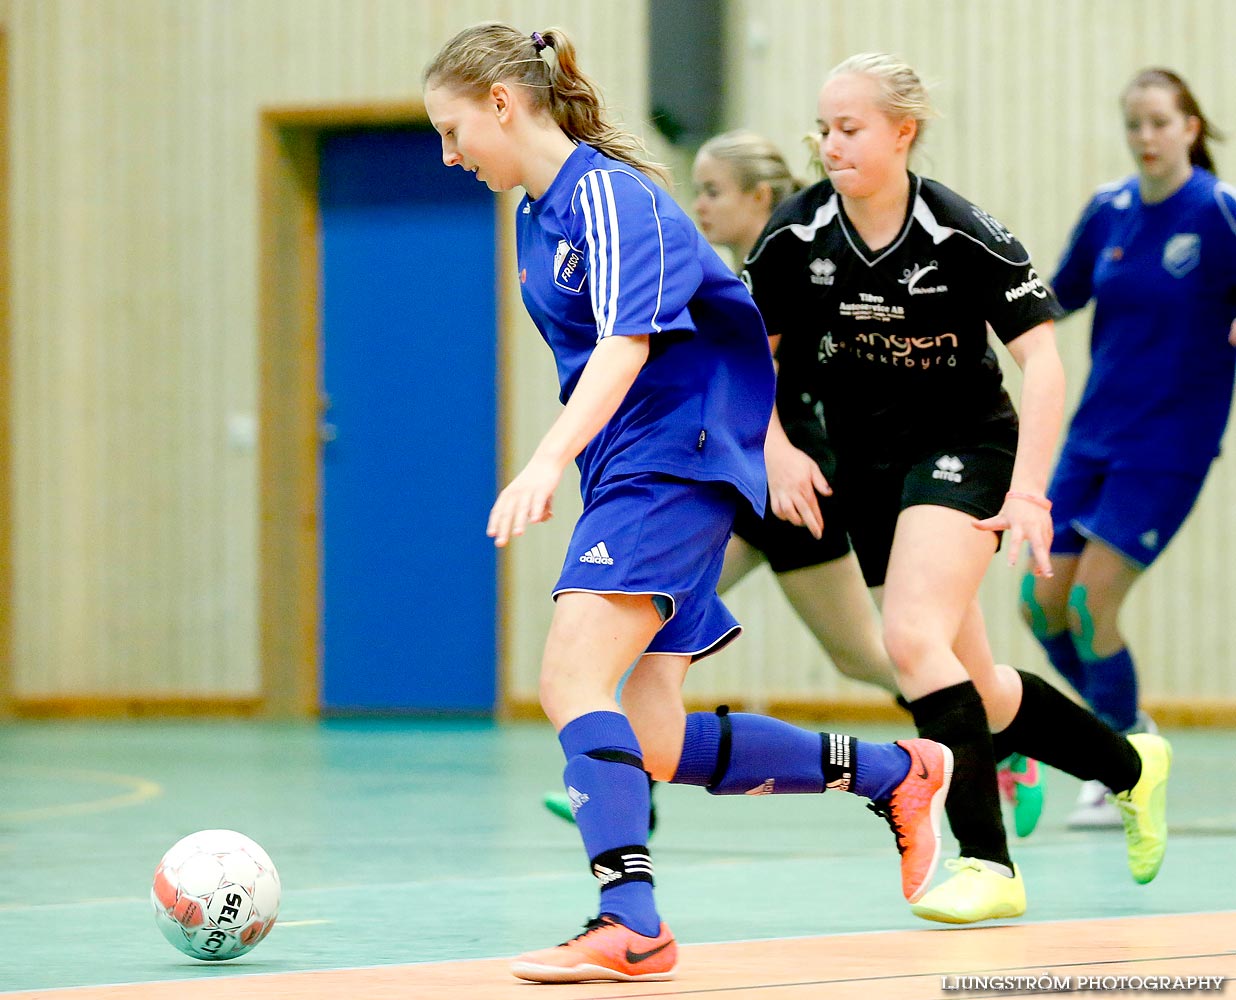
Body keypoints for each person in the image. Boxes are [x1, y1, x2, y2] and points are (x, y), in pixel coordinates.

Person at [422, 25, 954, 984]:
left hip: (678, 461)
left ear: (504, 104)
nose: (450, 154)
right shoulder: (535, 216)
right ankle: (898, 774)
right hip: (636, 467)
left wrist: (543, 462)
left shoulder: (611, 199)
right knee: (656, 738)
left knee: (569, 681)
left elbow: (627, 348)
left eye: (455, 131)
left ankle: (630, 922)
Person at [742, 52, 1174, 925]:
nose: (831, 143)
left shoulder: (960, 232)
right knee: (978, 688)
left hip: (965, 446)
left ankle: (989, 863)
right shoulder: (794, 236)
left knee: (908, 639)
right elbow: (749, 361)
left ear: (904, 132)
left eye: (850, 127)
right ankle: (1132, 768)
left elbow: (1043, 363)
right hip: (864, 467)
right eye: (823, 128)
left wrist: (1029, 493)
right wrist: (778, 449)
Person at [541, 129, 1045, 838]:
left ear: (761, 197)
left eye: (715, 191)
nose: (701, 205)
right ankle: (629, 762)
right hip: (754, 480)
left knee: (871, 650)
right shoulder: (722, 273)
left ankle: (987, 747)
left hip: (795, 485)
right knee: (843, 652)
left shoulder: (799, 263)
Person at [1020, 68, 1236, 828]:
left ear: (1189, 127)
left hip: (1168, 444)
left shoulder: (1217, 211)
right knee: (1038, 604)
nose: (1145, 139)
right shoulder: (1109, 210)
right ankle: (1131, 739)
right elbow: (1056, 295)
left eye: (1158, 123)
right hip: (1092, 437)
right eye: (1133, 124)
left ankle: (1121, 759)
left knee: (1088, 604)